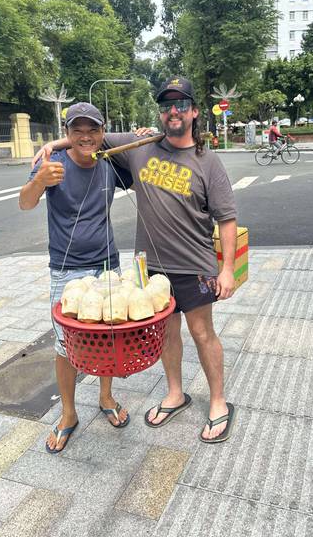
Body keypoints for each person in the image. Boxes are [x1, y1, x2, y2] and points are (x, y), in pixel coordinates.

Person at [36, 77, 238, 443]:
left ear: (193, 112)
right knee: (168, 333)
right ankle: (175, 393)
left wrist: (226, 270)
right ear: (160, 113)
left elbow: (227, 218)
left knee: (202, 332)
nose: (173, 111)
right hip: (153, 267)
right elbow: (88, 138)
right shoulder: (139, 146)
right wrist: (53, 143)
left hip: (195, 265)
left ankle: (219, 402)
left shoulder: (208, 162)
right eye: (166, 105)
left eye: (180, 104)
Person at [19, 102, 133, 454]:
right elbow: (25, 203)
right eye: (77, 131)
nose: (86, 137)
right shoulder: (52, 164)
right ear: (67, 133)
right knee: (65, 346)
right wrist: (39, 180)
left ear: (102, 132)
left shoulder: (111, 162)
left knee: (107, 337)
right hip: (66, 270)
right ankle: (68, 414)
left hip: (106, 264)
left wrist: (140, 134)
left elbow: (143, 147)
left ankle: (106, 397)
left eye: (93, 130)